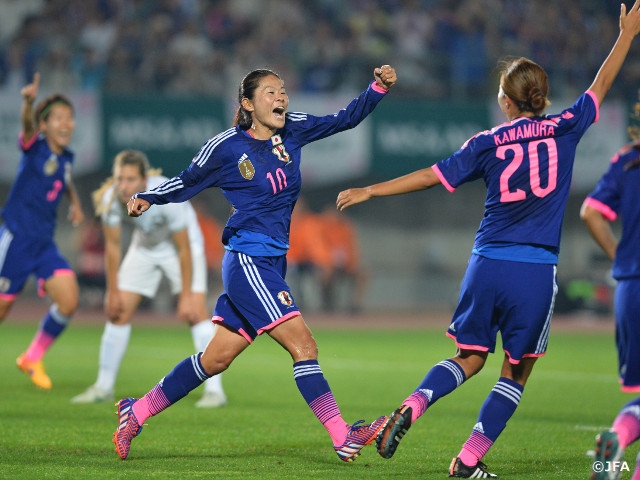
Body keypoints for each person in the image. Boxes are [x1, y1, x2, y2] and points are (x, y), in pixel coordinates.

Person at [335, 4, 640, 478]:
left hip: (485, 263)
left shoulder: (487, 142)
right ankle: (468, 459)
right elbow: (601, 84)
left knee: (468, 357)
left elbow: (430, 175)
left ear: (506, 101)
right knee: (514, 373)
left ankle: (415, 404)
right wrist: (626, 35)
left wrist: (371, 188)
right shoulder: (566, 127)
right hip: (534, 270)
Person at [113, 64, 397, 462]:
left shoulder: (293, 128)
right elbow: (188, 179)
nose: (280, 97)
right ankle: (342, 435)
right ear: (247, 104)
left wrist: (376, 89)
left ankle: (136, 411)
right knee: (304, 346)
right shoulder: (227, 147)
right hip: (248, 260)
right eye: (270, 92)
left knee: (215, 359)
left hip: (270, 263)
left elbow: (344, 119)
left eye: (282, 91)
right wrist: (150, 196)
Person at [71, 150, 227, 408]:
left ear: (144, 181)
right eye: (120, 178)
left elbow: (184, 249)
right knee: (118, 312)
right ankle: (103, 386)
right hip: (145, 247)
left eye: (131, 179)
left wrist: (186, 295)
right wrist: (112, 291)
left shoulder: (167, 198)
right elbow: (112, 247)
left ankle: (215, 391)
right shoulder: (111, 199)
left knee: (195, 312)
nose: (123, 185)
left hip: (183, 248)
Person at [0, 72, 85, 390]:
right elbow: (26, 125)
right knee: (4, 307)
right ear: (44, 125)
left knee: (69, 300)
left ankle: (32, 357)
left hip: (43, 244)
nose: (66, 124)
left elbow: (64, 179)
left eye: (70, 118)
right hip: (18, 239)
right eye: (59, 118)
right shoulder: (34, 147)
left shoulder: (66, 158)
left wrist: (75, 201)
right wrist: (28, 103)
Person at [580, 95, 640, 480]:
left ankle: (616, 439)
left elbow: (591, 212)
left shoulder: (627, 159)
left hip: (631, 288)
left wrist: (621, 257)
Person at [319, 204, 368, 314]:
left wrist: (351, 263)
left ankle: (355, 304)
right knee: (325, 274)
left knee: (362, 274)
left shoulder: (345, 227)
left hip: (346, 264)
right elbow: (318, 249)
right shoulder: (321, 228)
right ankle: (328, 304)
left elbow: (353, 248)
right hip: (327, 264)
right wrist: (329, 261)